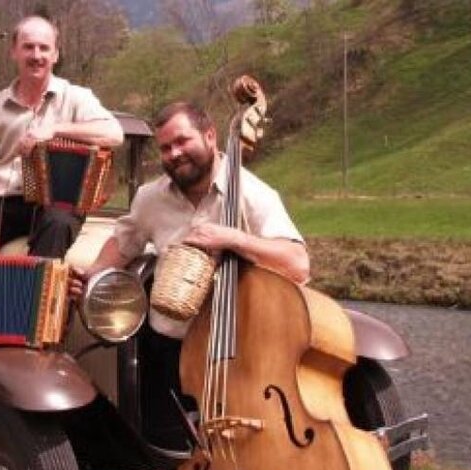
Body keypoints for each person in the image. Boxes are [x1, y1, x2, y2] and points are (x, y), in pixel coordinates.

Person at [78, 101, 309, 449]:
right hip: (167, 350)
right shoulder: (150, 198)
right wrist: (94, 273)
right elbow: (123, 243)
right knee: (170, 450)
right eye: (165, 148)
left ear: (210, 135)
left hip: (237, 352)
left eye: (182, 141)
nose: (174, 153)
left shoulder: (252, 194)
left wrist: (234, 239)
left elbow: (298, 264)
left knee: (243, 450)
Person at [0, 15, 124, 266]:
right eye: (28, 47)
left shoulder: (77, 97)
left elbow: (114, 134)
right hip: (3, 201)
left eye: (44, 48)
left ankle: (34, 292)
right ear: (14, 52)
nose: (36, 55)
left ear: (55, 55)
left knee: (58, 223)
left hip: (58, 200)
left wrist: (55, 129)